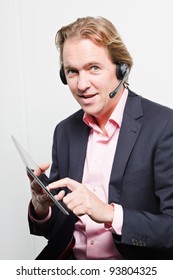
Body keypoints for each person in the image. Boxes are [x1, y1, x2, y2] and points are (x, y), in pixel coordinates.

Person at [28, 16, 173, 260]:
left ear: (121, 69)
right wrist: (43, 209)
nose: (82, 84)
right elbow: (59, 230)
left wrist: (108, 213)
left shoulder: (164, 126)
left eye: (94, 68)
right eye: (72, 71)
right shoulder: (64, 131)